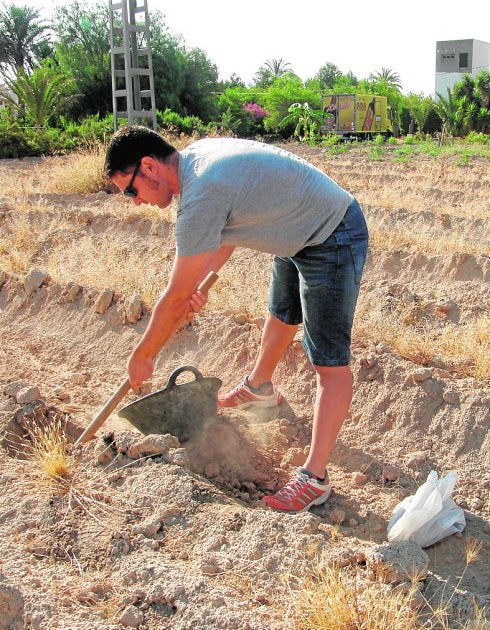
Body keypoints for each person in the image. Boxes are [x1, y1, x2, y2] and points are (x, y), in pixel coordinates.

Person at [104, 125, 368, 513]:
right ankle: (260, 388)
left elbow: (176, 296)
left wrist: (143, 356)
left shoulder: (202, 192)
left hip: (333, 232)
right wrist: (203, 282)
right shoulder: (196, 165)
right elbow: (225, 231)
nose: (134, 202)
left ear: (149, 166)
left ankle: (315, 479)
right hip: (294, 227)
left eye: (130, 190)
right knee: (281, 316)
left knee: (328, 363)